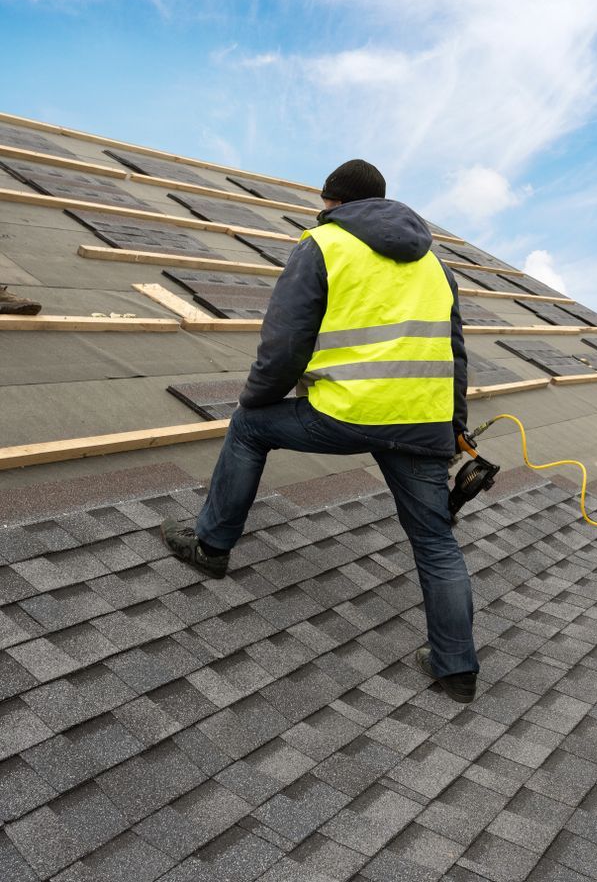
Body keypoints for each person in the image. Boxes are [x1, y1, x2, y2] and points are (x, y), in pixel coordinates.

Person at [162, 159, 479, 703]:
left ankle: (212, 547)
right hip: (422, 422)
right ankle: (457, 670)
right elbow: (454, 351)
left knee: (248, 429)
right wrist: (455, 427)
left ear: (333, 201)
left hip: (347, 414)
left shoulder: (323, 244)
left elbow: (284, 344)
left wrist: (256, 402)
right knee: (435, 541)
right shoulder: (434, 262)